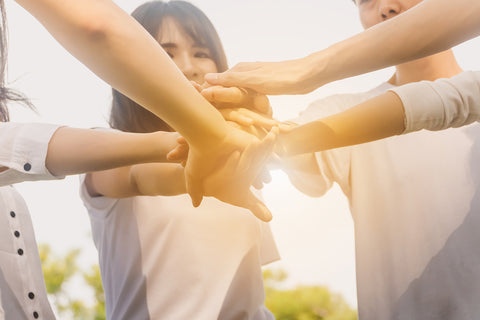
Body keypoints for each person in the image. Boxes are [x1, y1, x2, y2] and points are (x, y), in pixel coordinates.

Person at [80, 3, 279, 319]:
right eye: (166, 54)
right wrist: (215, 146)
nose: (189, 67)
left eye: (201, 52)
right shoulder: (107, 149)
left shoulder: (244, 157)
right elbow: (144, 175)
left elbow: (247, 292)